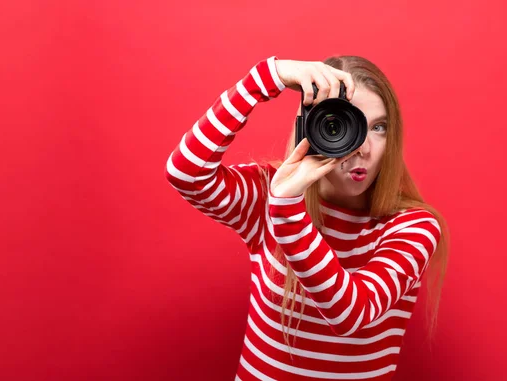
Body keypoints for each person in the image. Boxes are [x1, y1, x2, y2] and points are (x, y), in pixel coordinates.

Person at [165, 55, 449, 380]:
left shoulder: (413, 226)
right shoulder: (266, 196)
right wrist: (265, 77)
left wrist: (288, 208)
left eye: (379, 128)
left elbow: (350, 314)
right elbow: (185, 173)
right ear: (311, 126)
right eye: (344, 124)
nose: (365, 148)